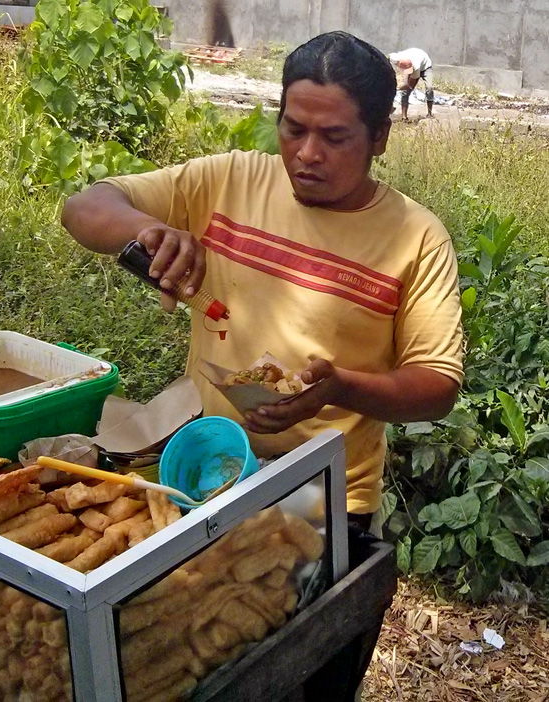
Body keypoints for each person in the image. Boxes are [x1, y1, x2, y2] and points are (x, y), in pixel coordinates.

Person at [62, 28, 462, 700]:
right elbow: (84, 207)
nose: (306, 154)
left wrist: (342, 389)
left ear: (380, 139)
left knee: (292, 672)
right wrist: (147, 233)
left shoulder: (415, 239)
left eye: (334, 138)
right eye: (293, 127)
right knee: (184, 665)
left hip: (319, 501)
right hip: (201, 472)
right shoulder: (228, 181)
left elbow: (436, 386)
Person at [388, 47, 434, 121]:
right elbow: (387, 57)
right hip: (411, 62)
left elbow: (410, 86)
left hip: (425, 67)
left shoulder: (416, 67)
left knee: (429, 88)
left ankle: (430, 113)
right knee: (405, 93)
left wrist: (399, 88)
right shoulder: (396, 57)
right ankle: (404, 117)